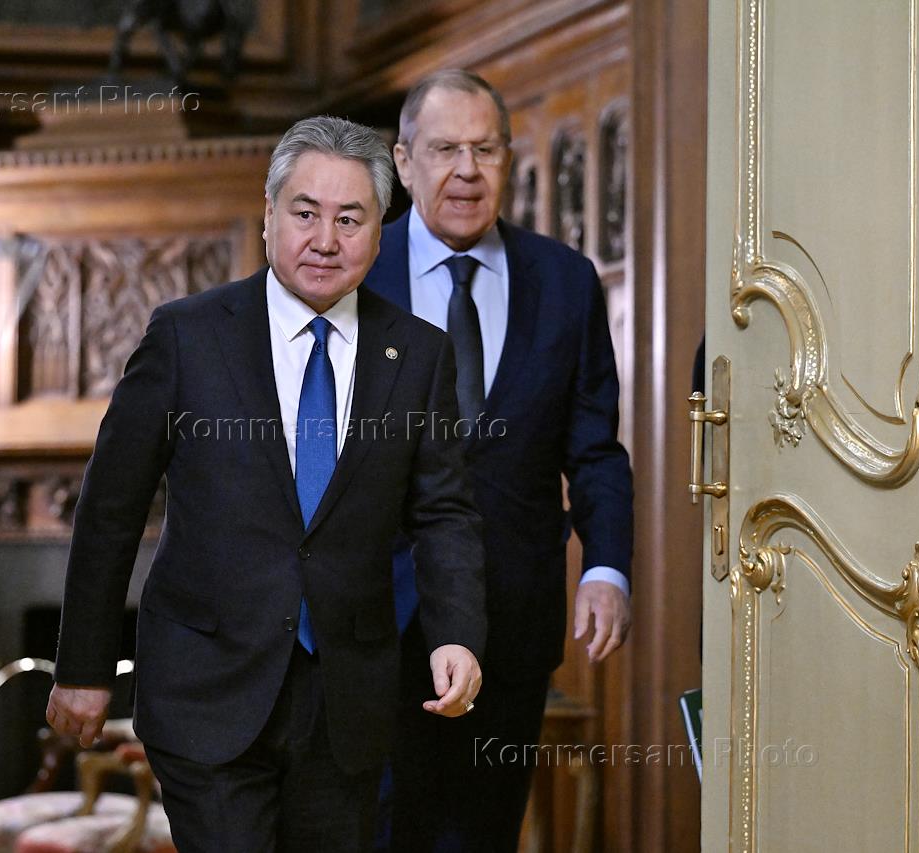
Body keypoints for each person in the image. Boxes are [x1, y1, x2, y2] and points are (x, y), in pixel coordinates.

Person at [45, 115, 488, 853]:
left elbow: (445, 511)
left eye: (349, 219)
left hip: (346, 699)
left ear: (380, 233)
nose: (325, 240)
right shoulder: (186, 337)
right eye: (305, 213)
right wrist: (84, 668)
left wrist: (458, 634)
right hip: (207, 690)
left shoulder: (417, 354)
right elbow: (111, 509)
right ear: (269, 216)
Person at [363, 70, 635, 852]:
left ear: (508, 160)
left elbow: (595, 448)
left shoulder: (566, 282)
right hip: (374, 616)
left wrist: (605, 567)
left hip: (512, 618)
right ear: (403, 161)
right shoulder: (354, 271)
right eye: (445, 149)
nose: (467, 170)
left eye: (485, 150)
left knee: (479, 836)